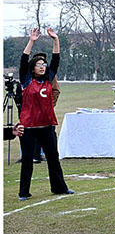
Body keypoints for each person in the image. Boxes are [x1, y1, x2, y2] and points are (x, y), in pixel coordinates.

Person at [17, 27, 73, 201]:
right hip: (29, 126)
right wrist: (31, 41)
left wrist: (55, 40)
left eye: (44, 65)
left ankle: (59, 188)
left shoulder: (48, 79)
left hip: (47, 125)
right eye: (39, 65)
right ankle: (24, 192)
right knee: (27, 160)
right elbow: (23, 60)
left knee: (53, 158)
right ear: (32, 68)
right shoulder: (27, 80)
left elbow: (56, 59)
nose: (42, 67)